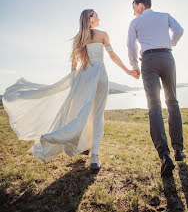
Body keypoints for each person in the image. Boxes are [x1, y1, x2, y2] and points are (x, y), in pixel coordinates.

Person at [3, 9, 137, 170]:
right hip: (99, 76)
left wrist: (74, 81)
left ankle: (82, 146)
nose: (99, 17)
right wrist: (128, 71)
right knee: (97, 115)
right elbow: (112, 56)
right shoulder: (102, 35)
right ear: (90, 19)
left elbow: (74, 65)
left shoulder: (77, 39)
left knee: (81, 112)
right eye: (96, 15)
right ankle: (94, 156)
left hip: (83, 77)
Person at [127, 0, 185, 178]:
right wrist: (170, 43)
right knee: (173, 102)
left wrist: (134, 66)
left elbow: (130, 46)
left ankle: (164, 155)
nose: (133, 9)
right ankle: (178, 150)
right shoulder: (165, 15)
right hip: (167, 57)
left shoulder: (135, 22)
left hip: (149, 60)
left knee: (154, 107)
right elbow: (179, 30)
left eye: (134, 6)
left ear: (142, 5)